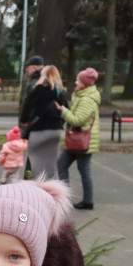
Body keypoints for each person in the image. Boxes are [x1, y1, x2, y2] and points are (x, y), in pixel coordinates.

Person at [56, 67, 101, 209]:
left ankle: (84, 200)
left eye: (78, 80)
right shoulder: (82, 96)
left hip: (82, 142)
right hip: (79, 140)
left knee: (80, 169)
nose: (75, 82)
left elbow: (77, 120)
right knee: (63, 165)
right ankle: (69, 197)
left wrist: (63, 111)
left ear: (84, 83)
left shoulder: (87, 99)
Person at [19, 65, 68, 179]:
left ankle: (31, 188)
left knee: (33, 162)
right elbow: (66, 109)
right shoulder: (59, 92)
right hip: (55, 131)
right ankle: (50, 189)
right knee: (50, 164)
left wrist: (24, 121)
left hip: (38, 130)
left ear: (43, 75)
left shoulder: (39, 89)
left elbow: (28, 106)